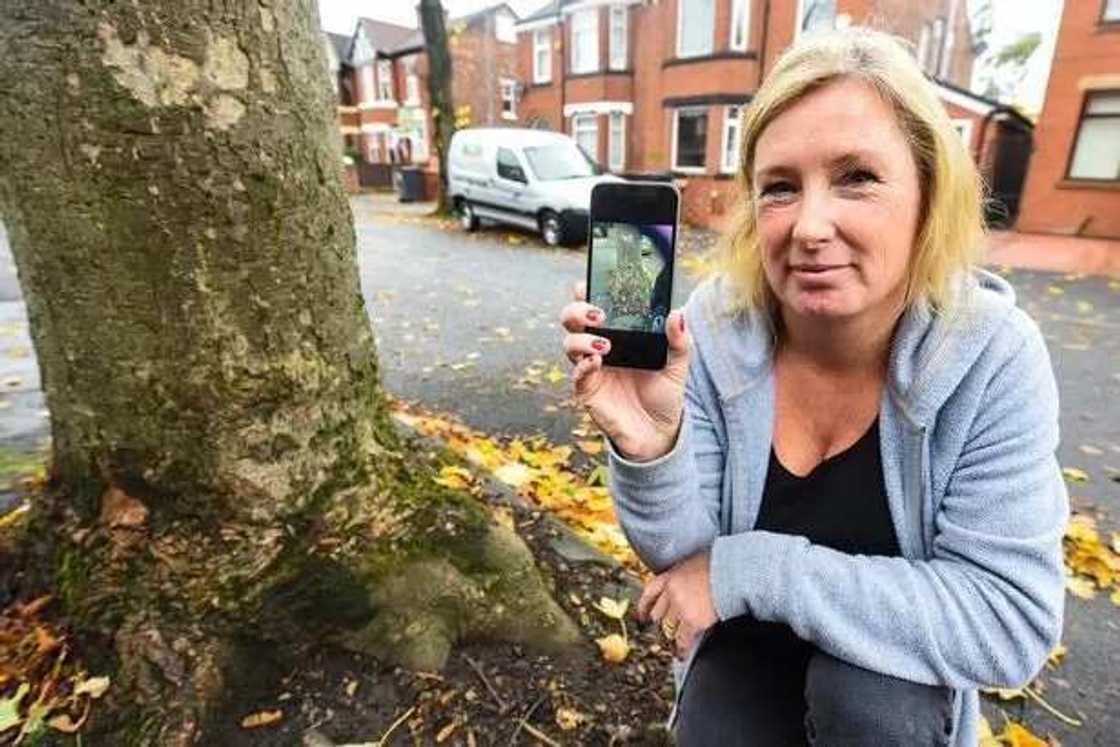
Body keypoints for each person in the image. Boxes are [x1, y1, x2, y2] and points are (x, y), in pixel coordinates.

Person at [559, 28, 1066, 747]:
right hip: (745, 671)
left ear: (928, 192)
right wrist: (651, 447)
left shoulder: (989, 356)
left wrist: (756, 571)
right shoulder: (717, 330)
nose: (810, 226)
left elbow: (1008, 622)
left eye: (856, 177)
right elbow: (684, 560)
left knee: (867, 700)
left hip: (887, 704)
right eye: (780, 187)